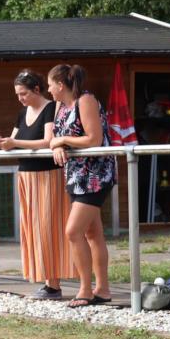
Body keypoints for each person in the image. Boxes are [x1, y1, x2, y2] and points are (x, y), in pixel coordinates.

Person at [0, 70, 73, 299]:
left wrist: (14, 142)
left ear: (37, 89)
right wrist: (4, 144)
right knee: (32, 229)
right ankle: (46, 279)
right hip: (26, 176)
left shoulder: (51, 108)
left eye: (24, 93)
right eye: (18, 94)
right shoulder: (22, 113)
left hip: (47, 175)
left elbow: (48, 141)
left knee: (48, 228)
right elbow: (15, 141)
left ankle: (54, 283)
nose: (20, 98)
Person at [48, 64, 117, 307]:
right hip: (75, 175)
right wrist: (57, 144)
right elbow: (54, 138)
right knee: (92, 233)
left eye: (50, 85)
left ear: (60, 85)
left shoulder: (85, 100)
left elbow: (93, 139)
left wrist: (62, 140)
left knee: (73, 231)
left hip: (96, 174)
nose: (48, 90)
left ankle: (85, 290)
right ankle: (103, 289)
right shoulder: (59, 107)